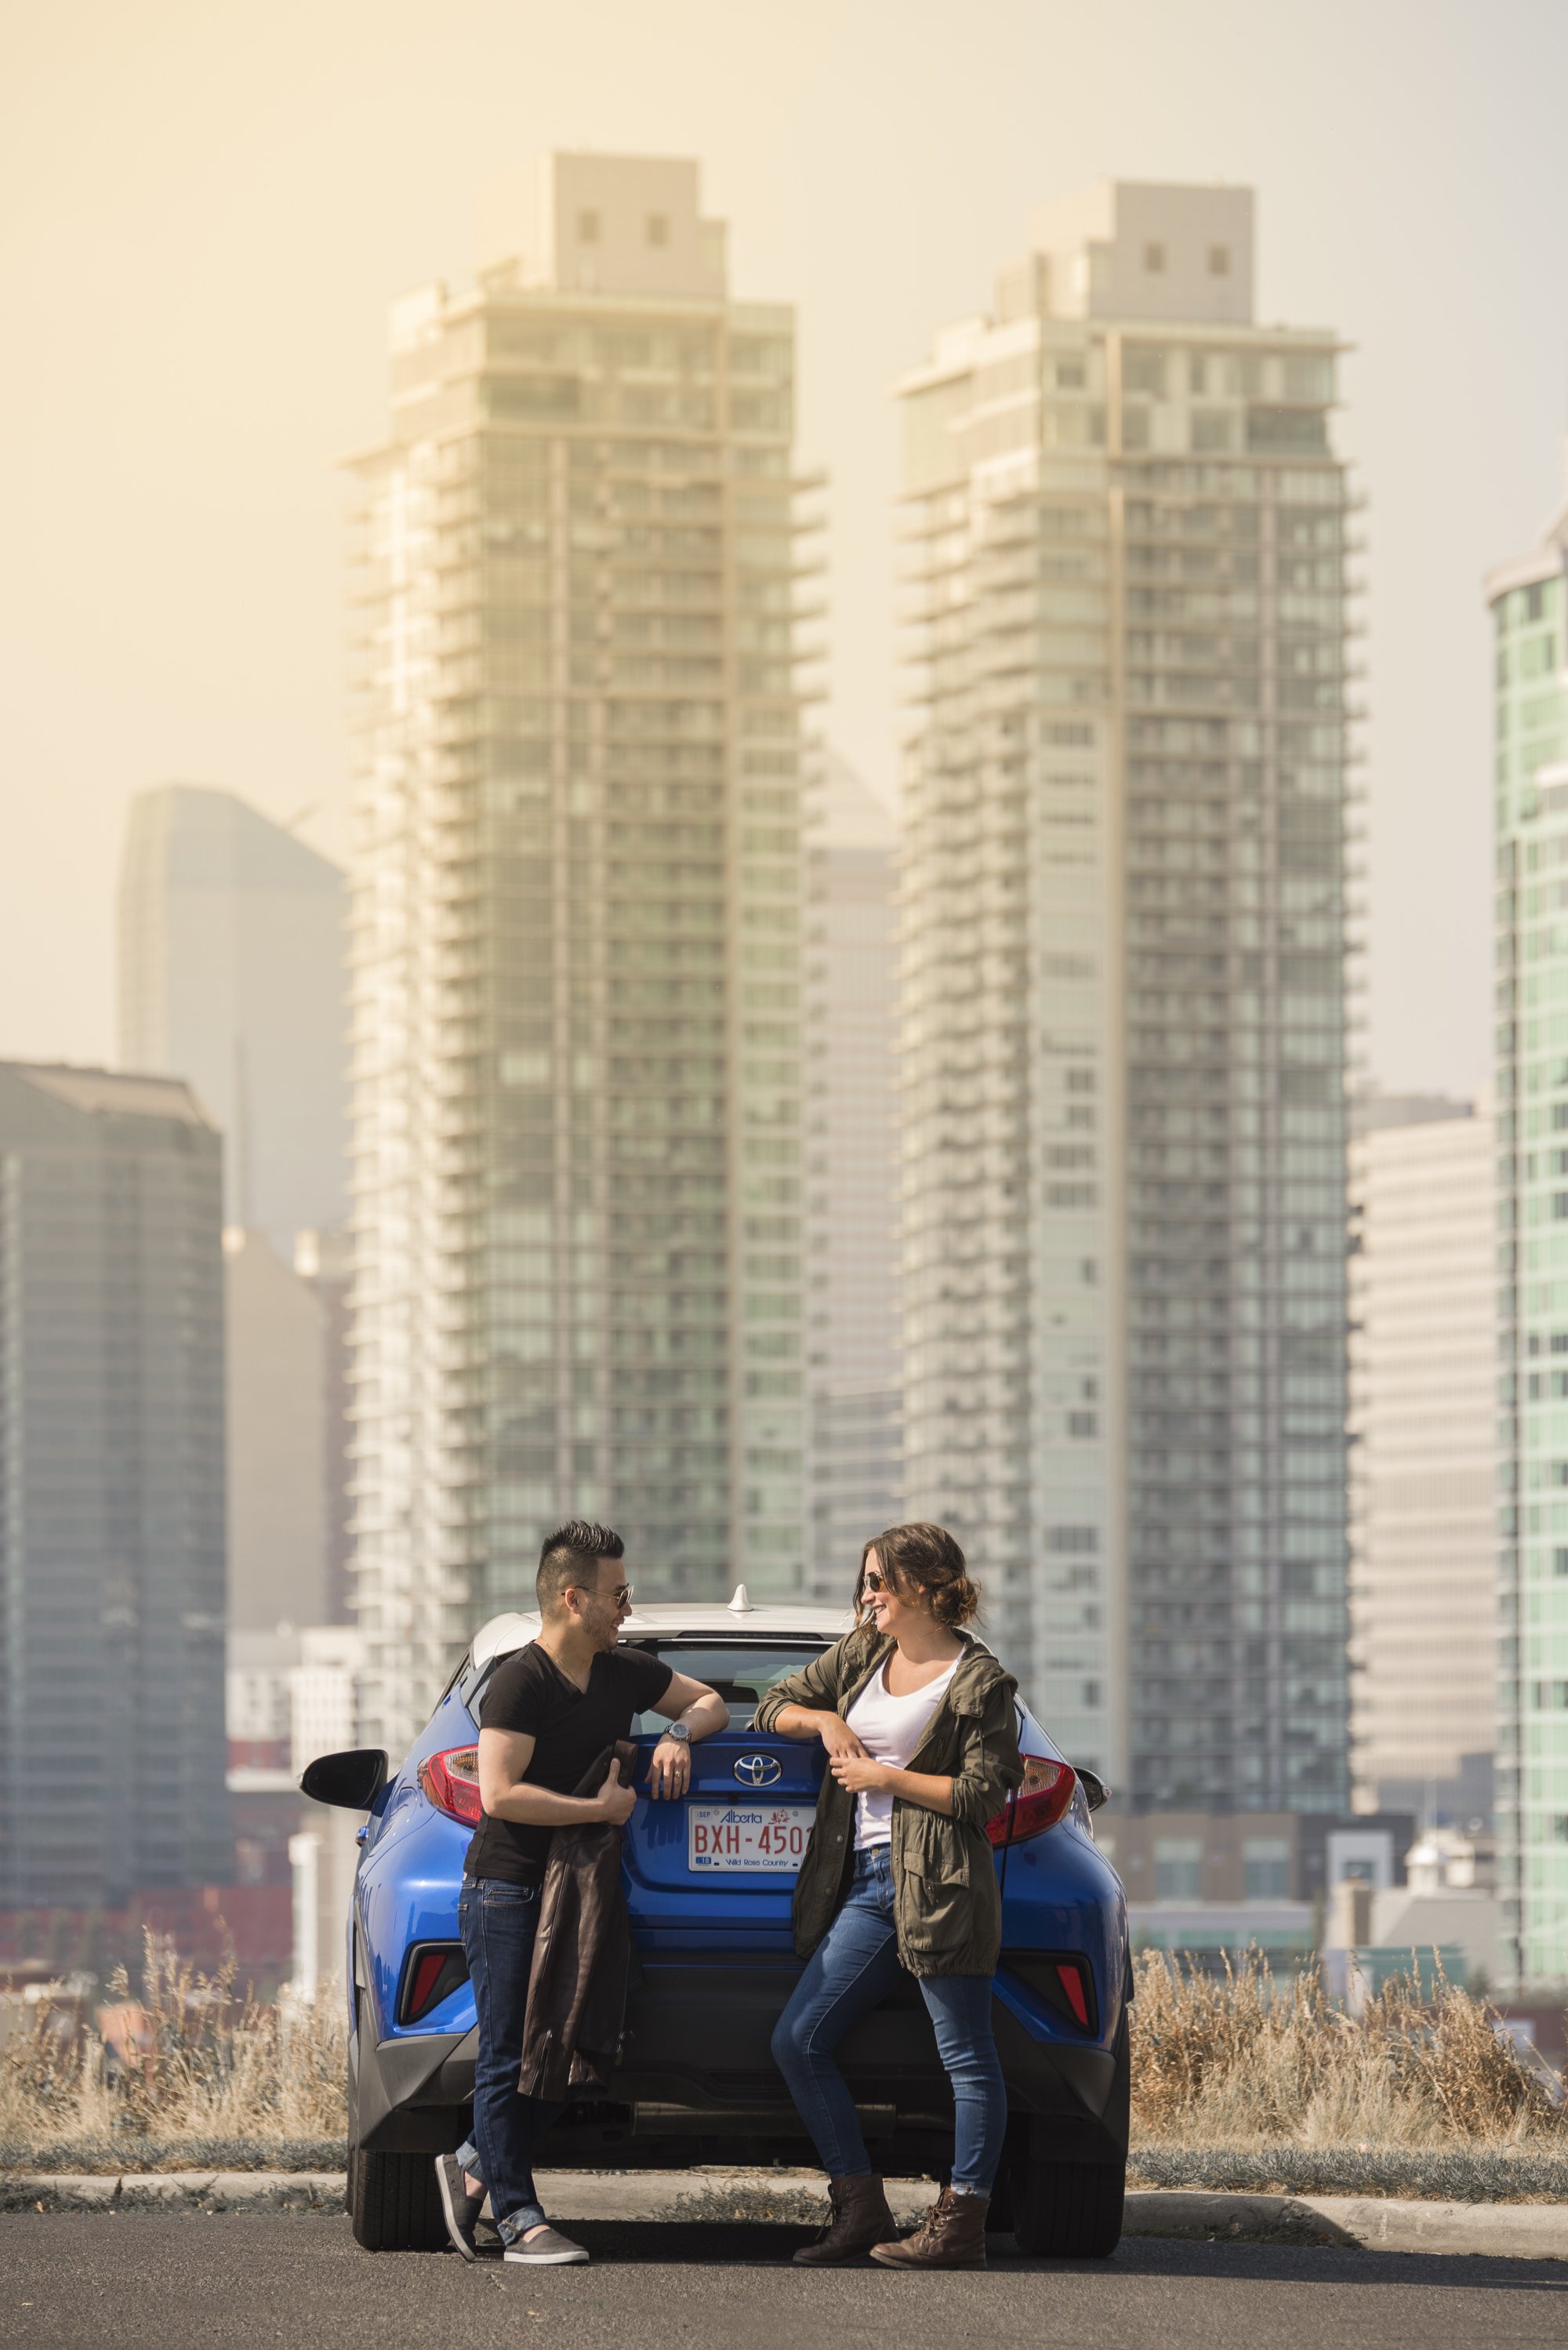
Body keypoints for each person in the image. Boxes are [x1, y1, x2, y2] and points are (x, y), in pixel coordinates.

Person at [435, 1521, 728, 2265]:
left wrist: (677, 1737)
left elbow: (710, 1703)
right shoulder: (521, 1681)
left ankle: (474, 2165)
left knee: (570, 2053)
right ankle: (519, 2217)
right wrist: (598, 1811)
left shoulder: (624, 1672)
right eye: (618, 1594)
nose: (627, 1607)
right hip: (506, 1887)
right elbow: (501, 1794)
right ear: (574, 1598)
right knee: (507, 2053)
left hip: (585, 1895)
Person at [756, 1522, 1022, 2271]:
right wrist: (828, 1717)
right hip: (869, 1884)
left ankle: (960, 2223)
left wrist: (887, 1779)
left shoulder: (980, 1681)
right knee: (799, 2039)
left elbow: (981, 1796)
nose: (868, 1594)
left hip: (941, 1883)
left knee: (967, 2057)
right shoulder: (864, 1653)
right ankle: (860, 2206)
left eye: (880, 1581)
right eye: (866, 1581)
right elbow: (773, 1702)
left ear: (927, 1588)